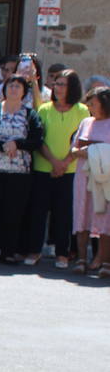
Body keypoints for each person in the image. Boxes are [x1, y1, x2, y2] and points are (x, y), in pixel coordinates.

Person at [0, 76, 45, 265]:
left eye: (17, 86)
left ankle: (8, 252)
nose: (13, 89)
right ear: (4, 89)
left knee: (13, 213)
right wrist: (2, 145)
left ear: (24, 91)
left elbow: (37, 140)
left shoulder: (30, 115)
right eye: (10, 86)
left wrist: (17, 144)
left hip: (19, 173)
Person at [28, 69, 88, 267]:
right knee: (38, 211)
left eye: (63, 84)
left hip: (70, 170)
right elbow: (39, 138)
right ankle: (34, 250)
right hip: (43, 167)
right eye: (56, 84)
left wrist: (64, 163)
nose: (58, 88)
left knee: (64, 213)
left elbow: (81, 140)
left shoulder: (82, 111)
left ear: (72, 88)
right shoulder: (44, 109)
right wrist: (54, 162)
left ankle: (62, 253)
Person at [68, 86, 110, 276]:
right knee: (82, 214)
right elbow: (74, 148)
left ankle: (104, 262)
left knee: (104, 217)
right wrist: (85, 151)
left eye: (94, 104)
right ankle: (82, 259)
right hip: (83, 176)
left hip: (104, 179)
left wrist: (94, 150)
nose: (90, 107)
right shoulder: (86, 122)